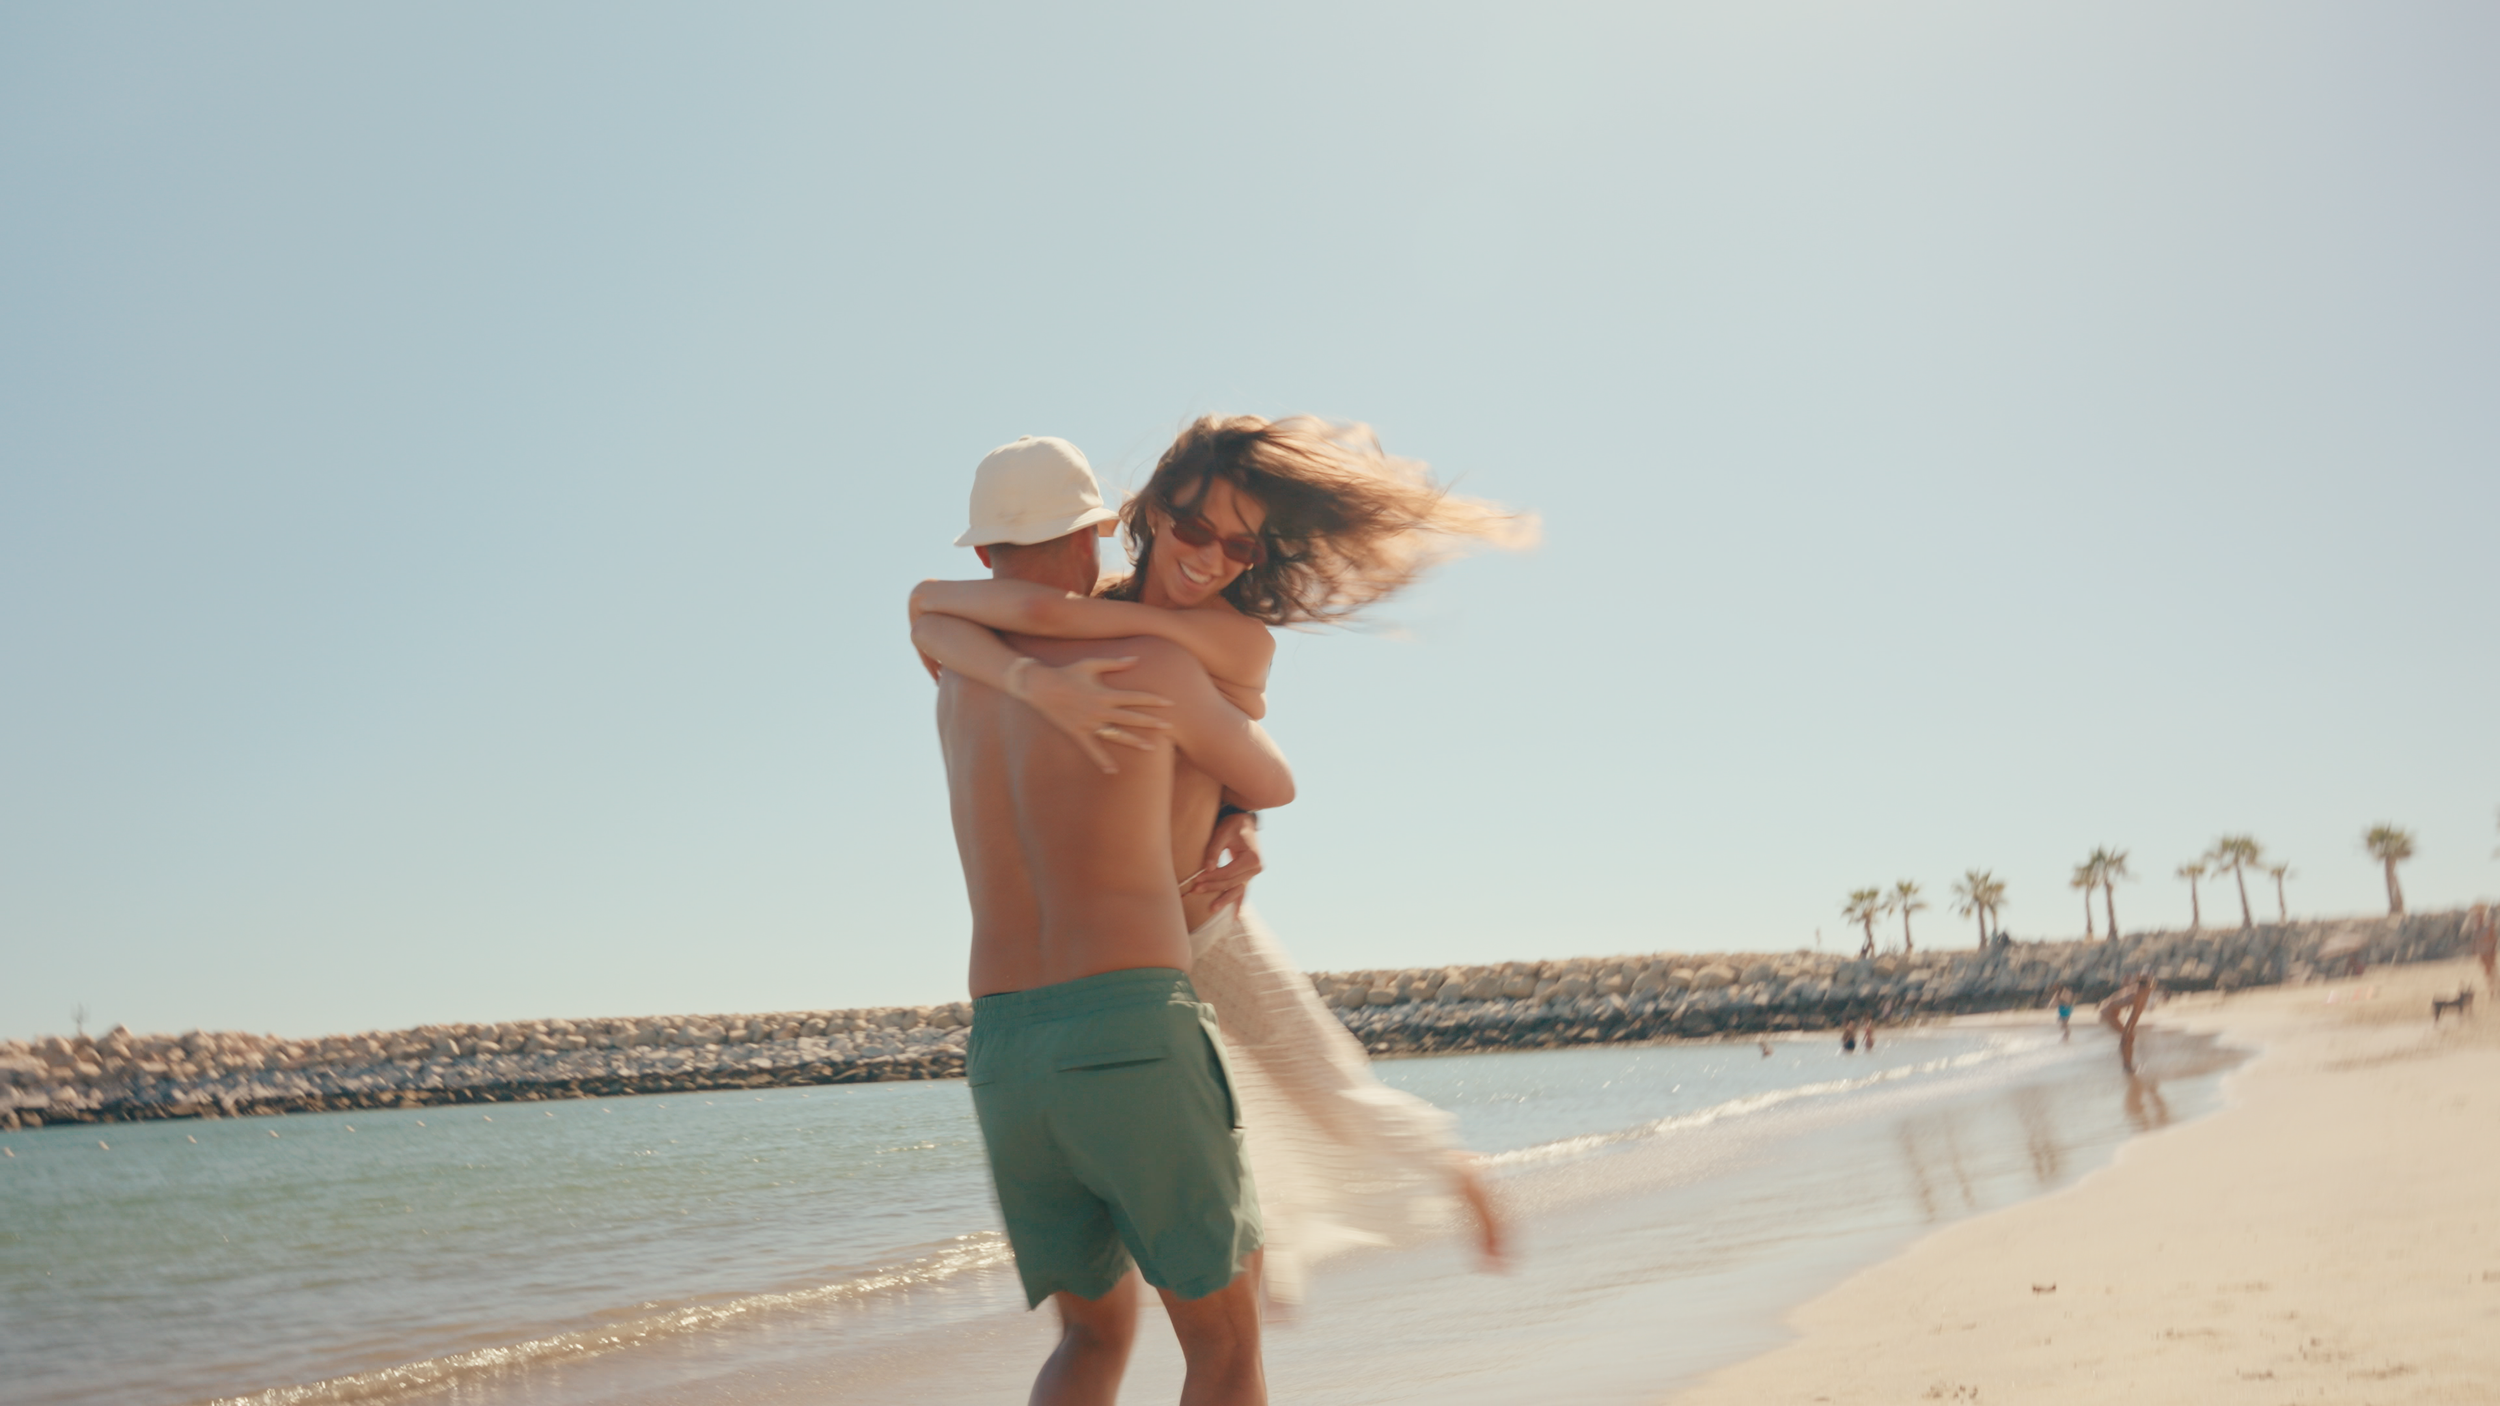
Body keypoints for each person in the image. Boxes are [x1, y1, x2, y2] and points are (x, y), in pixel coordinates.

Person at [911, 416, 1526, 1305]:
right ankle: (1250, 1283)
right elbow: (936, 620)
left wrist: (1243, 818)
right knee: (1233, 1149)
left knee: (1328, 1090)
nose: (1209, 558)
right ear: (1152, 515)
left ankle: (1452, 1169)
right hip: (1123, 963)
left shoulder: (1234, 640)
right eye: (1195, 529)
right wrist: (1023, 668)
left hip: (1206, 922)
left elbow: (1228, 747)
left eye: (1238, 547)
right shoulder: (1096, 619)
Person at [921, 435, 1298, 1406]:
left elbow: (933, 609)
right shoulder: (1148, 661)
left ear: (981, 557)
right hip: (1129, 1021)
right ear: (1098, 533)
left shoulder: (957, 677)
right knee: (1224, 1342)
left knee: (1091, 1337)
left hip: (1004, 1049)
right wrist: (1238, 816)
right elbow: (1274, 778)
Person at [2469, 903, 2495, 995]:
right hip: (2482, 955)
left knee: (2492, 971)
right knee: (2488, 972)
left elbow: (2492, 937)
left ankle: (2494, 989)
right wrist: (2474, 952)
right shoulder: (2476, 930)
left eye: (2479, 918)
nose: (2477, 920)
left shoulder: (2486, 928)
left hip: (2489, 954)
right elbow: (2474, 943)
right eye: (2476, 918)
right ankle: (2491, 990)